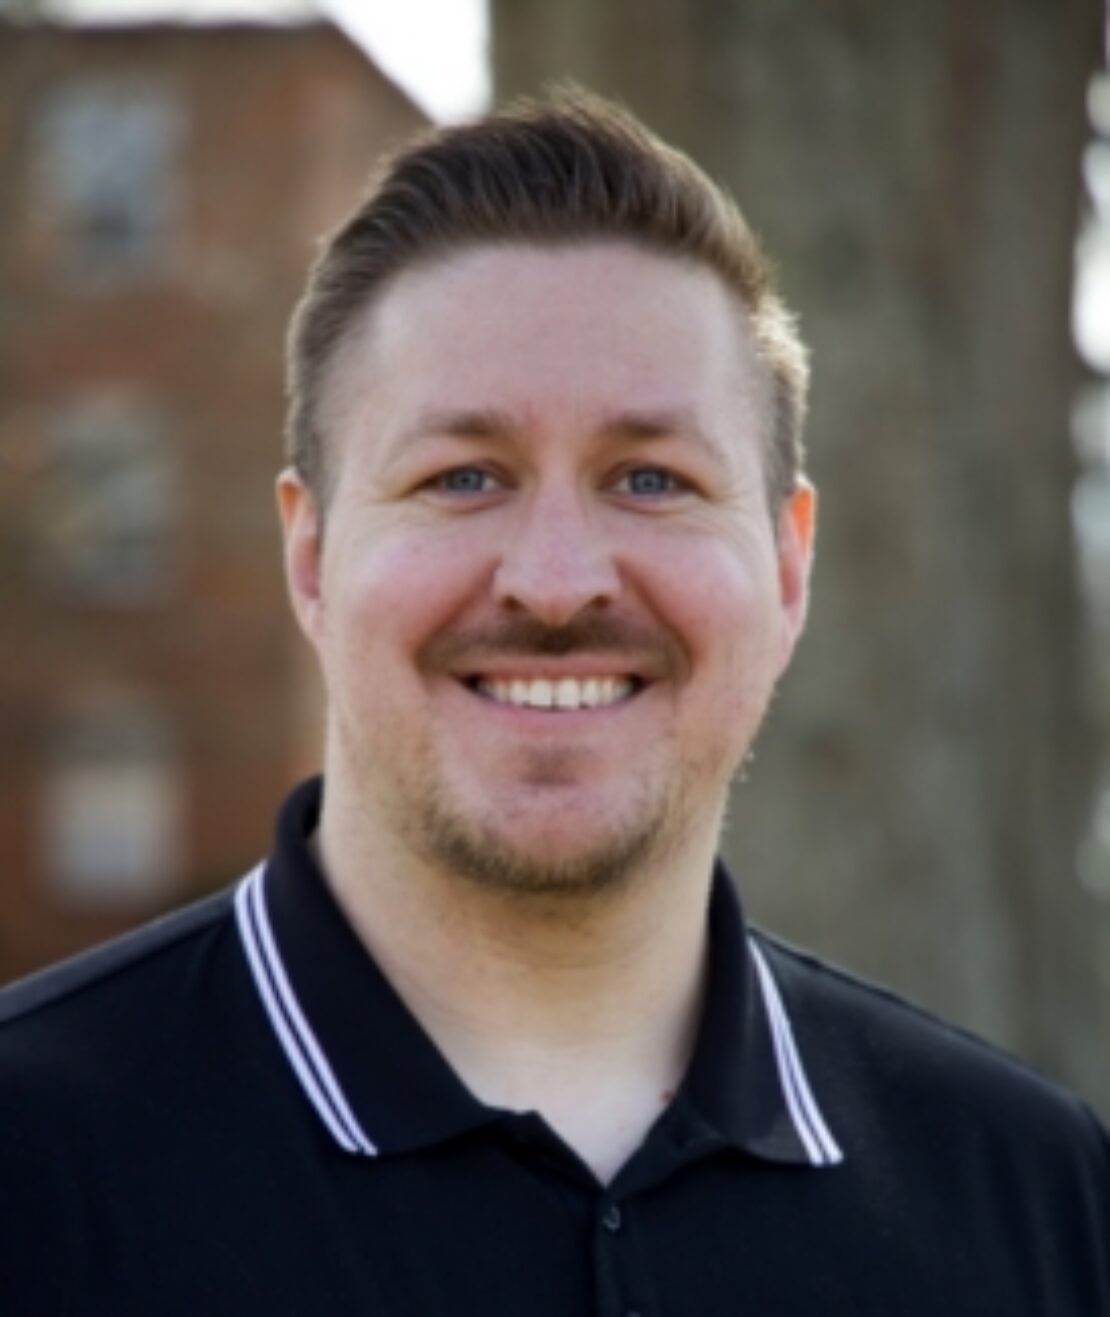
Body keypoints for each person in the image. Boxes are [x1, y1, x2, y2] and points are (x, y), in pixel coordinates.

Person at [1, 89, 1107, 1315]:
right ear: (312, 558)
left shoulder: (1034, 1198)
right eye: (463, 476)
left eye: (651, 478)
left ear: (789, 568)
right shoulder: (31, 1169)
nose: (557, 581)